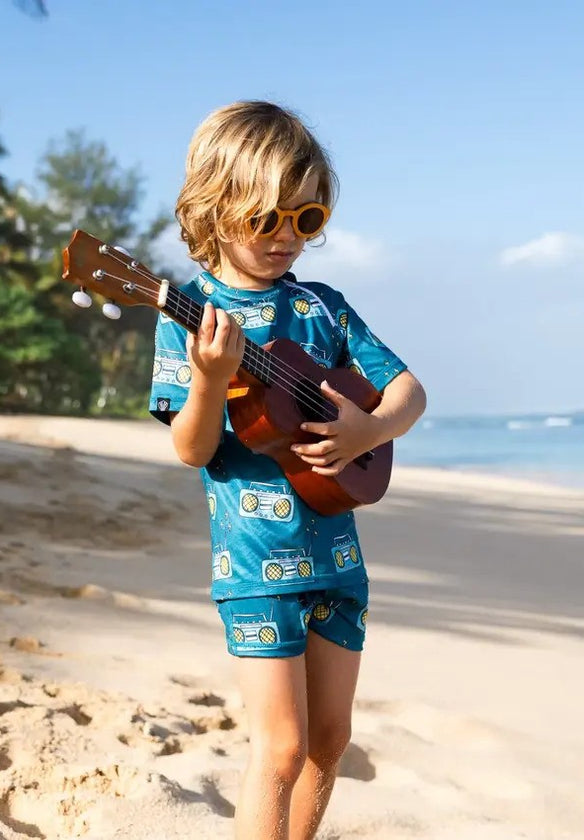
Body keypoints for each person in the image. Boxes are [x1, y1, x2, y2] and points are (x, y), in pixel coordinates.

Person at [148, 101, 427, 840]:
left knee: (329, 742)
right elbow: (192, 448)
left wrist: (371, 427)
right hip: (254, 563)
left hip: (338, 558)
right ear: (215, 206)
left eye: (307, 219)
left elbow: (408, 391)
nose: (287, 237)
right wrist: (211, 380)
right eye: (267, 218)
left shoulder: (322, 307)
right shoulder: (189, 314)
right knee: (280, 748)